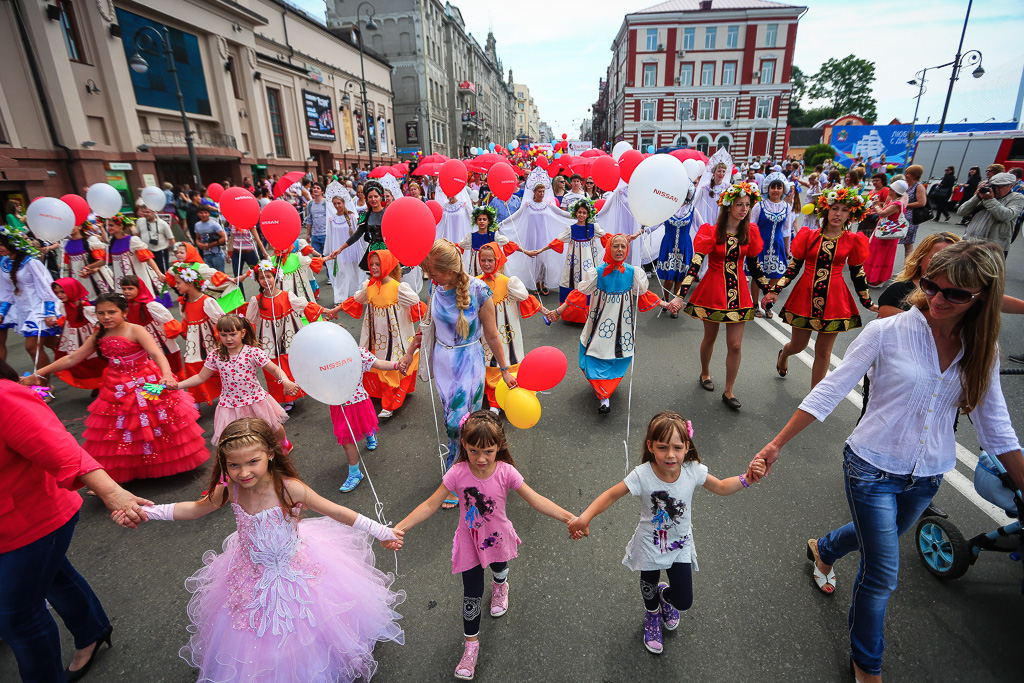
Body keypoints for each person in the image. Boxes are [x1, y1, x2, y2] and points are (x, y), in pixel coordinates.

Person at [747, 240, 1024, 683]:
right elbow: (832, 388)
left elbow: (996, 430)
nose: (936, 299)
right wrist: (777, 443)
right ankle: (867, 665)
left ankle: (825, 547)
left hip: (929, 473)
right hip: (871, 466)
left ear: (982, 298)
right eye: (932, 286)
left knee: (882, 536)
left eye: (954, 294)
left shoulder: (982, 348)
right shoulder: (887, 331)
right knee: (882, 573)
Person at [114, 417, 405, 683]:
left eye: (252, 461)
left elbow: (339, 512)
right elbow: (194, 508)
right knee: (250, 631)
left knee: (306, 628)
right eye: (234, 465)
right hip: (250, 571)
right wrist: (146, 512)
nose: (243, 472)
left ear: (270, 453)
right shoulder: (229, 487)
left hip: (296, 568)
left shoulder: (290, 488)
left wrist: (382, 532)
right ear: (224, 464)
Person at [389, 410, 577, 680]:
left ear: (499, 446)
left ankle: (501, 585)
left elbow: (535, 499)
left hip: (497, 539)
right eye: (474, 450)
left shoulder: (506, 472)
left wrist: (570, 517)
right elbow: (431, 504)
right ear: (464, 444)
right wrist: (400, 527)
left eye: (488, 451)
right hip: (469, 543)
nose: (480, 458)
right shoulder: (457, 473)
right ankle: (470, 647)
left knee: (500, 569)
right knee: (472, 595)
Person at [0, 357, 153, 682]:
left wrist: (114, 493)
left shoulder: (5, 397)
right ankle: (92, 630)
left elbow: (62, 450)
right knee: (53, 575)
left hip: (29, 522)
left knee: (17, 619)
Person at [568, 411, 765, 654]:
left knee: (683, 600)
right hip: (650, 546)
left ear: (687, 446)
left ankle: (666, 596)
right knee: (648, 585)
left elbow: (722, 487)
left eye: (677, 447)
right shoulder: (642, 475)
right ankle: (652, 615)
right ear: (650, 446)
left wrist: (747, 478)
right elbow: (611, 494)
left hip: (679, 546)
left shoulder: (693, 470)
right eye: (662, 447)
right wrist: (585, 517)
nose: (670, 454)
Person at [25, 292, 209, 483]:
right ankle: (132, 468)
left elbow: (156, 353)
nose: (106, 317)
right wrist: (37, 374)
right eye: (101, 313)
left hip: (145, 382)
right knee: (120, 430)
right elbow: (72, 358)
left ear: (125, 311)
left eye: (111, 312)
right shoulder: (99, 334)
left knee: (155, 423)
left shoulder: (136, 330)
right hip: (115, 387)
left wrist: (167, 375)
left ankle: (165, 465)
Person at [399, 240, 517, 508]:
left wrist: (504, 370)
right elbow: (427, 326)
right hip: (443, 362)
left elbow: (492, 334)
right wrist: (409, 353)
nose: (431, 277)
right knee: (452, 422)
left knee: (458, 423)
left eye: (435, 272)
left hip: (469, 362)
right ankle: (471, 465)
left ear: (450, 271)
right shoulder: (435, 287)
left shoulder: (479, 291)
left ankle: (457, 478)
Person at [666, 182, 772, 409]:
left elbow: (754, 266)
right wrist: (679, 295)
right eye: (739, 205)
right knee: (710, 338)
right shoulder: (711, 232)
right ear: (728, 207)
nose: (744, 209)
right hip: (712, 291)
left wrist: (769, 290)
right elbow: (694, 266)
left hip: (740, 294)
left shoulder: (749, 232)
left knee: (735, 345)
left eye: (747, 205)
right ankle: (705, 372)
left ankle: (729, 390)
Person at [762, 187, 877, 387]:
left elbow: (858, 273)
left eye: (844, 210)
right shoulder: (809, 236)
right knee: (798, 345)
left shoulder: (852, 240)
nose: (838, 214)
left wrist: (867, 302)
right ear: (826, 210)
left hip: (834, 298)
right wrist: (775, 290)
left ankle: (815, 398)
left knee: (824, 351)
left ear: (851, 215)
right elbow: (793, 267)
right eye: (835, 208)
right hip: (805, 295)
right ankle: (784, 354)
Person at [547, 234, 663, 413]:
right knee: (595, 355)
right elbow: (578, 294)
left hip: (621, 327)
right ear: (609, 248)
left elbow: (644, 295)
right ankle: (603, 394)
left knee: (618, 356)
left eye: (623, 247)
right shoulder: (598, 272)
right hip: (598, 325)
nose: (619, 250)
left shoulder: (633, 273)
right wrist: (558, 311)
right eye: (615, 246)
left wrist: (666, 304)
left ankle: (604, 395)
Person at [177, 315, 296, 449]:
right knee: (235, 435)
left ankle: (284, 444)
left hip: (255, 399)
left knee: (272, 426)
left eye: (233, 334)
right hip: (230, 404)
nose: (228, 339)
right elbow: (200, 377)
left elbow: (274, 369)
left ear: (243, 333)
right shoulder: (216, 355)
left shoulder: (253, 352)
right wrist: (178, 385)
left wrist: (285, 380)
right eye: (223, 335)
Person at [333, 250, 425, 419]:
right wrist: (335, 310)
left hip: (395, 338)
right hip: (375, 336)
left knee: (391, 365)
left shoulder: (399, 288)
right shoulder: (369, 286)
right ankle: (384, 396)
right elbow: (356, 300)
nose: (374, 268)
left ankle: (389, 404)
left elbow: (419, 305)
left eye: (378, 264)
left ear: (388, 265)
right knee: (378, 363)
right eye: (372, 264)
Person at [244, 260, 328, 410]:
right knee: (273, 366)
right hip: (269, 339)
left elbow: (306, 306)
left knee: (293, 363)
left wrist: (326, 311)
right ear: (257, 280)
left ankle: (305, 387)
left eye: (269, 276)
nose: (266, 280)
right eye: (262, 278)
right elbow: (250, 321)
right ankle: (287, 397)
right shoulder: (256, 300)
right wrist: (250, 341)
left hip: (288, 335)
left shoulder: (287, 295)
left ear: (276, 277)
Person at [476, 242, 549, 411]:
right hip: (484, 332)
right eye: (483, 260)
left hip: (505, 332)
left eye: (490, 260)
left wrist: (546, 312)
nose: (486, 264)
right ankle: (492, 397)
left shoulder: (509, 283)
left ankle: (502, 399)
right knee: (486, 359)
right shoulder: (475, 282)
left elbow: (527, 299)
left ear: (498, 260)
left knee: (506, 359)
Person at [329, 344, 403, 492]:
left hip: (358, 402)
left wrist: (397, 365)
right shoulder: (323, 359)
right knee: (347, 439)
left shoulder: (357, 352)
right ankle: (355, 472)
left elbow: (379, 363)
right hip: (339, 405)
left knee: (363, 426)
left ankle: (355, 472)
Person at [526, 198, 607, 323]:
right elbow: (557, 242)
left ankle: (591, 314)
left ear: (588, 215)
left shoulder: (593, 227)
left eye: (584, 213)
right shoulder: (571, 229)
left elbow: (607, 237)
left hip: (589, 263)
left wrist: (624, 239)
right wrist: (541, 250)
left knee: (589, 284)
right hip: (574, 265)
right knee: (574, 284)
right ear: (576, 213)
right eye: (579, 212)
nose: (581, 215)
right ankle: (573, 315)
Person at [0, 227, 60, 378]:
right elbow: (6, 292)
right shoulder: (4, 264)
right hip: (23, 310)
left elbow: (47, 287)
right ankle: (77, 365)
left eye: (2, 244)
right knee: (54, 344)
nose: (0, 248)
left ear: (13, 244)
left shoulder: (31, 262)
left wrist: (49, 312)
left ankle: (46, 386)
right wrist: (2, 312)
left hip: (39, 307)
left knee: (32, 347)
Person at [500, 172, 571, 297]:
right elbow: (515, 217)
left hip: (544, 236)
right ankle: (536, 283)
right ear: (534, 192)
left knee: (544, 261)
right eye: (540, 191)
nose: (542, 194)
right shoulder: (528, 205)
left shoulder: (547, 205)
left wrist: (576, 216)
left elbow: (561, 213)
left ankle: (543, 282)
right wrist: (502, 224)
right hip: (532, 236)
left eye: (543, 191)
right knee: (534, 260)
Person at [168, 263, 225, 405]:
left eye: (178, 282)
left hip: (208, 340)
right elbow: (186, 321)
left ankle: (227, 391)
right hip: (194, 342)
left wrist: (221, 340)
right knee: (191, 366)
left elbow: (220, 321)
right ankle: (197, 399)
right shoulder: (184, 302)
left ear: (190, 282)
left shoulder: (207, 301)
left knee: (218, 367)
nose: (176, 286)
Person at [748, 173, 793, 318]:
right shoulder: (759, 205)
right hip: (760, 246)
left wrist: (787, 249)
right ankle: (754, 304)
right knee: (757, 276)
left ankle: (768, 303)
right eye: (773, 186)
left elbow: (786, 230)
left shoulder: (786, 206)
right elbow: (751, 226)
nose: (775, 190)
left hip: (777, 245)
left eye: (779, 187)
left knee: (776, 276)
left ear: (783, 189)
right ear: (768, 188)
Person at [50, 278, 105, 392]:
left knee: (95, 361)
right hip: (72, 336)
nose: (60, 295)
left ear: (73, 290)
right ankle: (96, 384)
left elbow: (97, 321)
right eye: (57, 292)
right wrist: (58, 322)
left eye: (62, 291)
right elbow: (66, 318)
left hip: (87, 335)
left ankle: (101, 383)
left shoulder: (84, 306)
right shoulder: (65, 304)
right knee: (79, 362)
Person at [958, 172, 1024, 257]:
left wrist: (989, 200)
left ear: (1010, 186)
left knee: (986, 270)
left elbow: (1006, 215)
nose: (996, 189)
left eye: (1000, 186)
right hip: (969, 243)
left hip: (993, 248)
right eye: (994, 185)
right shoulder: (985, 195)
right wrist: (977, 197)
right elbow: (961, 212)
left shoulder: (1016, 198)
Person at [326, 179, 387, 271]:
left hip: (389, 251)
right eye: (370, 197)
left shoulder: (389, 213)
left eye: (376, 196)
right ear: (367, 199)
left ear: (380, 197)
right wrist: (340, 249)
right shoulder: (365, 216)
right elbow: (357, 235)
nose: (373, 199)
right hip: (374, 252)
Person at [862, 179, 908, 287]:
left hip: (886, 233)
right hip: (885, 231)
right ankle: (873, 277)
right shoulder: (893, 200)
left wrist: (876, 205)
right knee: (877, 253)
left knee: (879, 254)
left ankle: (876, 279)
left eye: (891, 188)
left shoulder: (897, 203)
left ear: (895, 191)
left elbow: (882, 213)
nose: (889, 190)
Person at [325, 188, 363, 302]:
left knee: (355, 274)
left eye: (339, 203)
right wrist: (329, 251)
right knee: (341, 275)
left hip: (352, 250)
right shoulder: (332, 219)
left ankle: (356, 295)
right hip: (339, 251)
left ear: (344, 203)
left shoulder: (351, 217)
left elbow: (358, 234)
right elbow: (330, 237)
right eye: (335, 204)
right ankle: (340, 298)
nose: (337, 206)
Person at [64, 221, 115, 299]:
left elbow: (103, 260)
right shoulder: (67, 243)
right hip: (78, 279)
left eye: (73, 225)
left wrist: (90, 268)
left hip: (96, 277)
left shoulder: (91, 240)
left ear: (80, 227)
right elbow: (69, 266)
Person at [134, 206, 175, 273]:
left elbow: (171, 238)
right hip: (147, 251)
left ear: (154, 212)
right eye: (144, 212)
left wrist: (176, 251)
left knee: (163, 271)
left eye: (147, 212)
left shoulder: (163, 224)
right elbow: (137, 235)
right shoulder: (140, 221)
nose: (145, 214)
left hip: (160, 251)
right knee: (150, 271)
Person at [900, 165, 927, 259]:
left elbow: (922, 203)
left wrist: (905, 205)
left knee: (908, 245)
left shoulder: (919, 187)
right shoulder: (906, 185)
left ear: (915, 175)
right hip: (901, 217)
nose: (906, 175)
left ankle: (908, 269)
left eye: (908, 173)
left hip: (911, 219)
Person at [192, 206, 227, 272]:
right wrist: (199, 244)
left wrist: (210, 245)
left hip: (217, 254)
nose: (204, 215)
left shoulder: (214, 224)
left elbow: (224, 238)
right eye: (201, 213)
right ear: (198, 214)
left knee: (220, 275)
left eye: (205, 213)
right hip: (206, 254)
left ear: (209, 213)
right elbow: (197, 238)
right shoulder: (197, 225)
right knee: (209, 275)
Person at [303, 182, 329, 255]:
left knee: (327, 256)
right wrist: (308, 234)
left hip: (325, 234)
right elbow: (309, 220)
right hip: (314, 235)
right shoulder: (310, 204)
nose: (315, 189)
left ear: (322, 191)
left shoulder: (326, 203)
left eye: (318, 188)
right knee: (315, 257)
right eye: (314, 188)